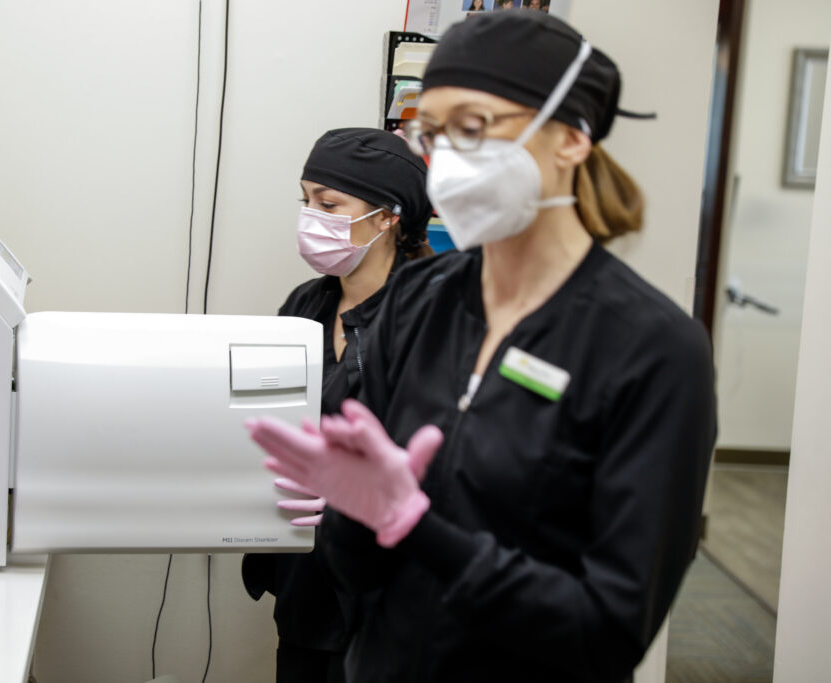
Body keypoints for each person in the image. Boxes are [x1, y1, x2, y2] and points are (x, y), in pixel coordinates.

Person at [247, 11, 716, 683]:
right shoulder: (420, 301)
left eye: (472, 127)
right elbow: (359, 574)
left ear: (572, 138)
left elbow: (609, 630)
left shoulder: (652, 349)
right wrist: (346, 510)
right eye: (430, 133)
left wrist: (417, 525)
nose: (445, 159)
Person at [241, 127, 433, 683]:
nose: (310, 217)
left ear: (388, 216)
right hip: (305, 572)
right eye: (305, 201)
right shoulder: (308, 304)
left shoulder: (428, 310)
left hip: (386, 583)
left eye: (328, 204)